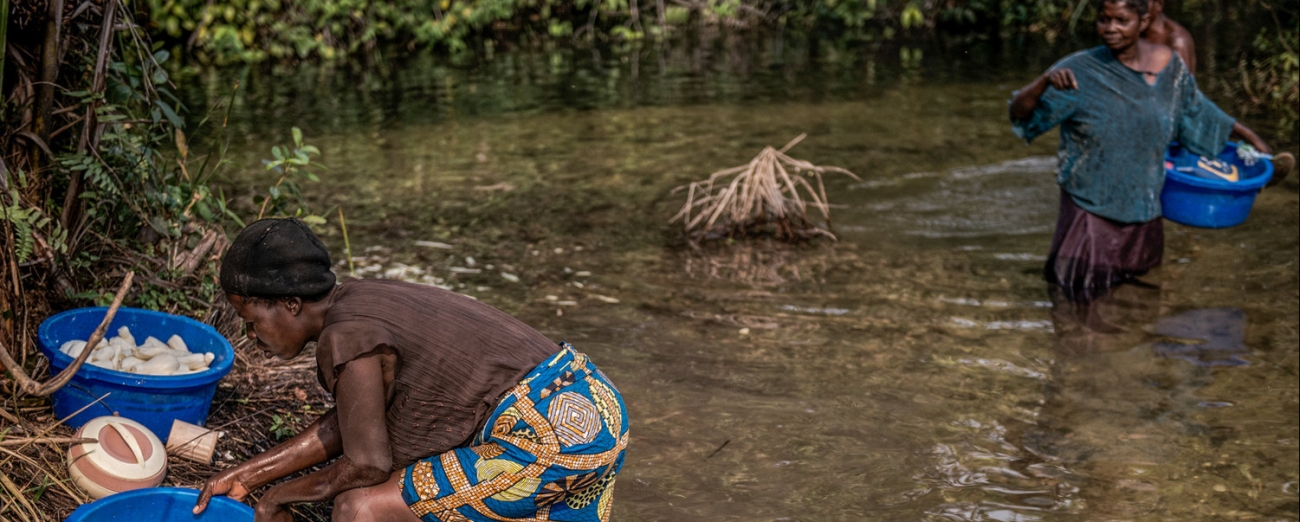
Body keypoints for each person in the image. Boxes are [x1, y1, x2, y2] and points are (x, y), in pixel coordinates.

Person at [193, 217, 629, 522]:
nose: (251, 336)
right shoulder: (362, 301)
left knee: (359, 508)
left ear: (289, 304)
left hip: (550, 436)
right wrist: (246, 475)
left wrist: (276, 498)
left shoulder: (347, 337)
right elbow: (354, 422)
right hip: (593, 409)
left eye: (252, 322)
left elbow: (367, 463)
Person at [1008, 0, 1277, 302]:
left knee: (1138, 310)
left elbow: (1198, 111)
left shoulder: (1169, 65)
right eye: (1103, 20)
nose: (1111, 29)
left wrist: (1251, 138)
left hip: (1144, 211)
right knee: (1078, 309)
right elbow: (1019, 113)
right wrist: (1044, 82)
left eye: (1121, 20)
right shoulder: (1078, 71)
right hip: (1091, 211)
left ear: (1144, 20)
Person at [1141, 0, 1295, 184]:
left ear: (1159, 4)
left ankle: (1258, 163)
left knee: (1205, 126)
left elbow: (1182, 95)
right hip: (1155, 106)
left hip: (1173, 110)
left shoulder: (1175, 40)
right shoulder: (1133, 32)